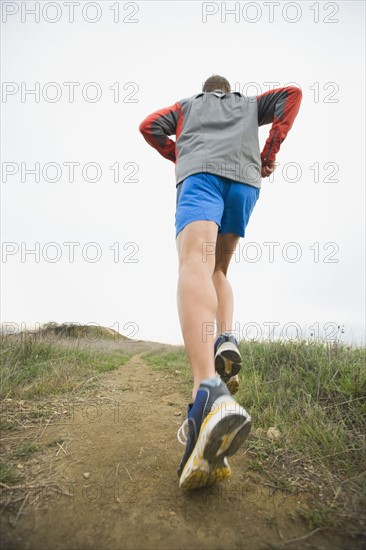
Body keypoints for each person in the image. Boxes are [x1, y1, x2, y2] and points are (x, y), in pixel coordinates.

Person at [139, 75, 302, 491]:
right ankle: (225, 335)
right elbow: (291, 96)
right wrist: (269, 152)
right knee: (219, 271)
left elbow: (149, 126)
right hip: (245, 182)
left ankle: (207, 389)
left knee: (195, 258)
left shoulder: (187, 106)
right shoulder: (250, 105)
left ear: (206, 88)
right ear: (228, 88)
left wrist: (181, 153)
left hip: (202, 178)